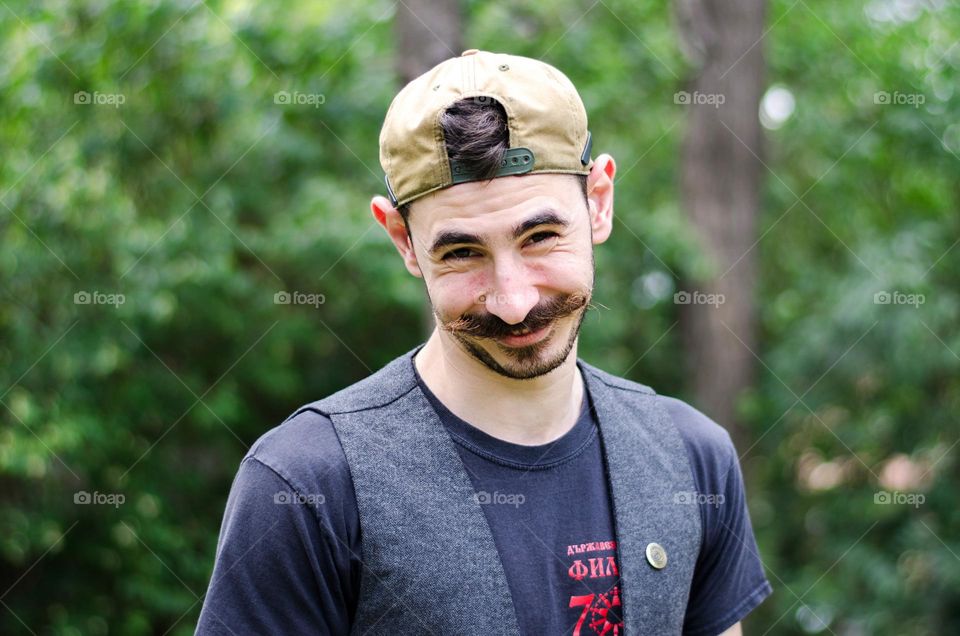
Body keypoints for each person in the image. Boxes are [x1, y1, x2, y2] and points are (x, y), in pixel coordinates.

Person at [196, 49, 772, 635]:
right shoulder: (306, 485)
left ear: (598, 202)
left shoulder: (692, 457)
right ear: (402, 240)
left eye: (542, 237)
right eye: (462, 252)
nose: (514, 301)